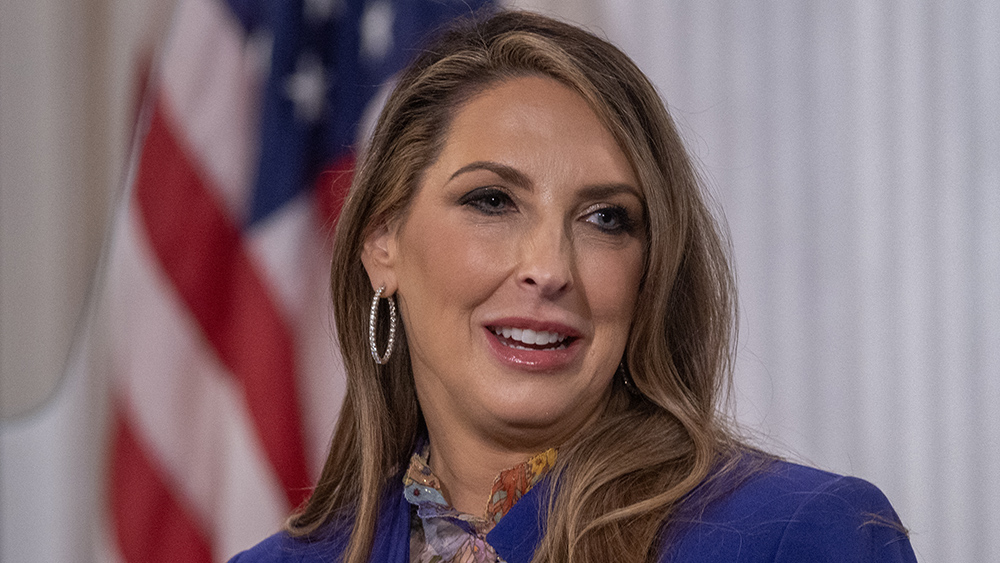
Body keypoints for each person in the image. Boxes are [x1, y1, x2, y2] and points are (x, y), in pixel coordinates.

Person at [231, 9, 916, 563]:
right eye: (493, 201)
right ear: (382, 244)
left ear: (650, 271)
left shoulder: (800, 536)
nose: (550, 266)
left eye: (604, 218)